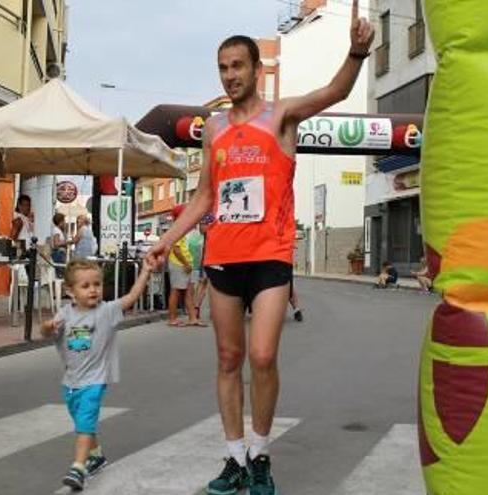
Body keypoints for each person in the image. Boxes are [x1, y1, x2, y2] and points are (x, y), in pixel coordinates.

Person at [145, 6, 374, 493]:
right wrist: (166, 240)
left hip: (270, 255)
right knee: (229, 359)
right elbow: (205, 195)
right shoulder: (215, 130)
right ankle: (234, 459)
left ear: (257, 70)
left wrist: (356, 52)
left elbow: (335, 92)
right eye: (223, 68)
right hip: (223, 255)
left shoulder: (282, 115)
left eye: (237, 66)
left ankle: (261, 454)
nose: (230, 75)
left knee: (263, 355)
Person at [41, 260, 153, 491]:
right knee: (81, 421)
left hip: (94, 381)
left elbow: (131, 297)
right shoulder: (65, 314)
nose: (93, 290)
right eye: (85, 286)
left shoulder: (107, 311)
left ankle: (78, 468)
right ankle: (97, 456)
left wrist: (146, 271)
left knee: (85, 425)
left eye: (97, 284)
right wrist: (48, 326)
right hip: (71, 382)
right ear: (70, 291)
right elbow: (44, 332)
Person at [167, 204, 204, 327]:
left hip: (187, 263)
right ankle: (172, 319)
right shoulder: (177, 228)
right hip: (179, 263)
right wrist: (186, 263)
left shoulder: (185, 228)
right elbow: (176, 249)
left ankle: (193, 318)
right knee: (176, 291)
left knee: (189, 292)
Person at [189, 215, 213, 320]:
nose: (201, 227)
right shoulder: (208, 217)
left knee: (210, 285)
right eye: (201, 225)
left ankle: (212, 310)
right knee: (202, 284)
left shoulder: (212, 217)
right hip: (207, 259)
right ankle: (196, 308)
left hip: (214, 259)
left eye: (203, 224)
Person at [50, 213, 71, 277]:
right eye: (64, 221)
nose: (65, 223)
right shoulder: (56, 231)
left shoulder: (59, 230)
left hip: (60, 253)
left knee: (62, 272)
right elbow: (56, 243)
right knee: (61, 273)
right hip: (59, 254)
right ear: (60, 222)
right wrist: (67, 242)